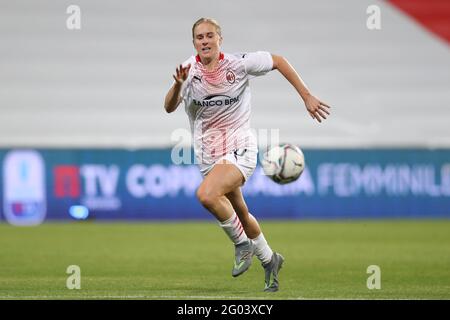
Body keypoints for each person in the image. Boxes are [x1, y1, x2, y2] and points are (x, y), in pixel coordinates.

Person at [164, 17, 330, 292]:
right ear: (193, 42)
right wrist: (177, 86)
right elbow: (169, 107)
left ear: (220, 39)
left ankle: (242, 246)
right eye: (199, 37)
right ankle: (270, 259)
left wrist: (306, 96)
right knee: (240, 211)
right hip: (208, 154)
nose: (204, 41)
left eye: (209, 36)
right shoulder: (187, 70)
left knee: (206, 195)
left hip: (239, 147)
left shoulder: (239, 64)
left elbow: (278, 61)